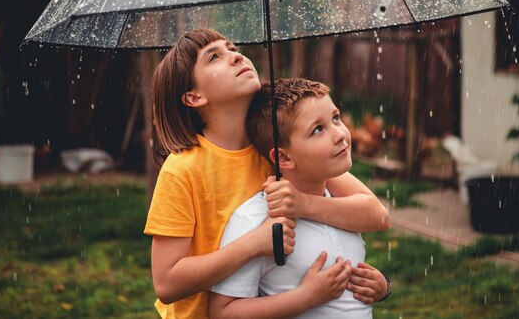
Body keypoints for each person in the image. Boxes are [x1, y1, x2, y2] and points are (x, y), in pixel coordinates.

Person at [144, 29, 390, 319]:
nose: (235, 56)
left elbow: (376, 214)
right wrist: (253, 244)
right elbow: (166, 282)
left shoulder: (275, 147)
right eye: (214, 57)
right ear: (194, 96)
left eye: (232, 47)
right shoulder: (183, 169)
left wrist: (304, 204)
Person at [210, 78, 391, 319]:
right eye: (318, 129)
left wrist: (381, 287)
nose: (339, 134)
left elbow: (379, 216)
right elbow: (223, 313)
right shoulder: (256, 219)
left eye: (335, 118)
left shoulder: (335, 198)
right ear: (283, 158)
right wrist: (305, 297)